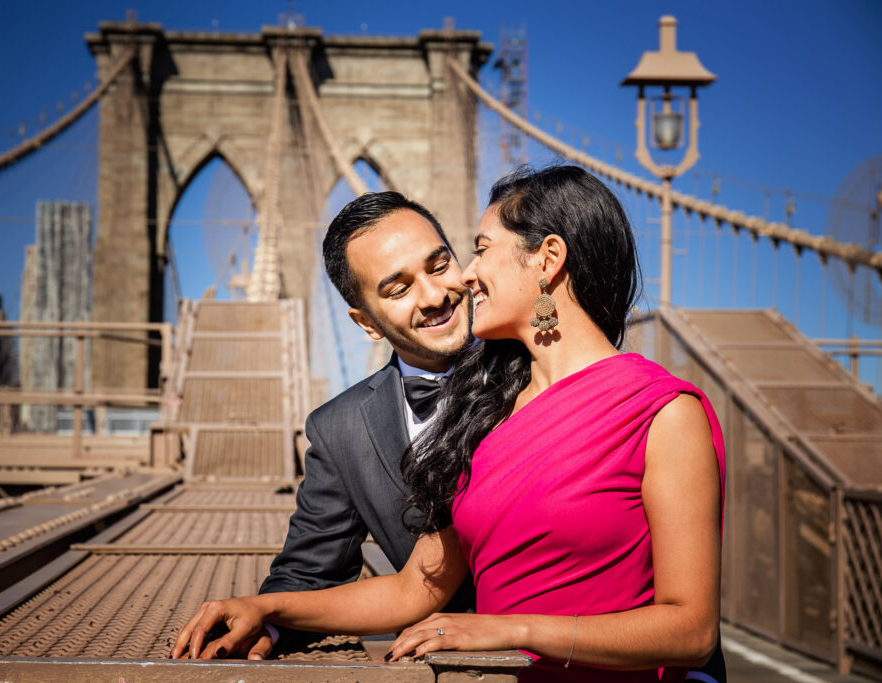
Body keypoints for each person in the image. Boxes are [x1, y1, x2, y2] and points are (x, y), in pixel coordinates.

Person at [171, 166, 726, 682]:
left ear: (547, 258)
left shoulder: (664, 413)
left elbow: (693, 629)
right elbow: (416, 587)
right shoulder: (487, 419)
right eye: (399, 287)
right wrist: (264, 608)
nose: (460, 278)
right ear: (365, 322)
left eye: (473, 252)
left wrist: (512, 630)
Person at [244, 191, 477, 659]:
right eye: (399, 289)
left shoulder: (538, 371)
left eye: (438, 265)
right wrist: (263, 626)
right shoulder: (339, 429)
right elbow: (310, 573)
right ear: (366, 323)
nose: (434, 297)